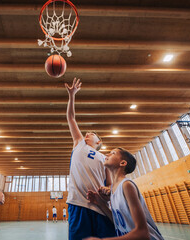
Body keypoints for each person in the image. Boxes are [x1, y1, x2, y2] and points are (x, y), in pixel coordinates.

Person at [65, 78, 116, 240]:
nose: (87, 134)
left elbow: (110, 183)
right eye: (86, 133)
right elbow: (71, 118)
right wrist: (72, 96)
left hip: (101, 207)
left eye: (91, 134)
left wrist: (108, 189)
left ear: (99, 142)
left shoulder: (105, 158)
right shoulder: (79, 144)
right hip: (78, 203)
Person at [85, 148, 164, 240]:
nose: (107, 154)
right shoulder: (113, 189)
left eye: (112, 153)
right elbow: (119, 222)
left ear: (122, 163)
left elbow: (142, 233)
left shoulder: (127, 185)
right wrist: (101, 203)